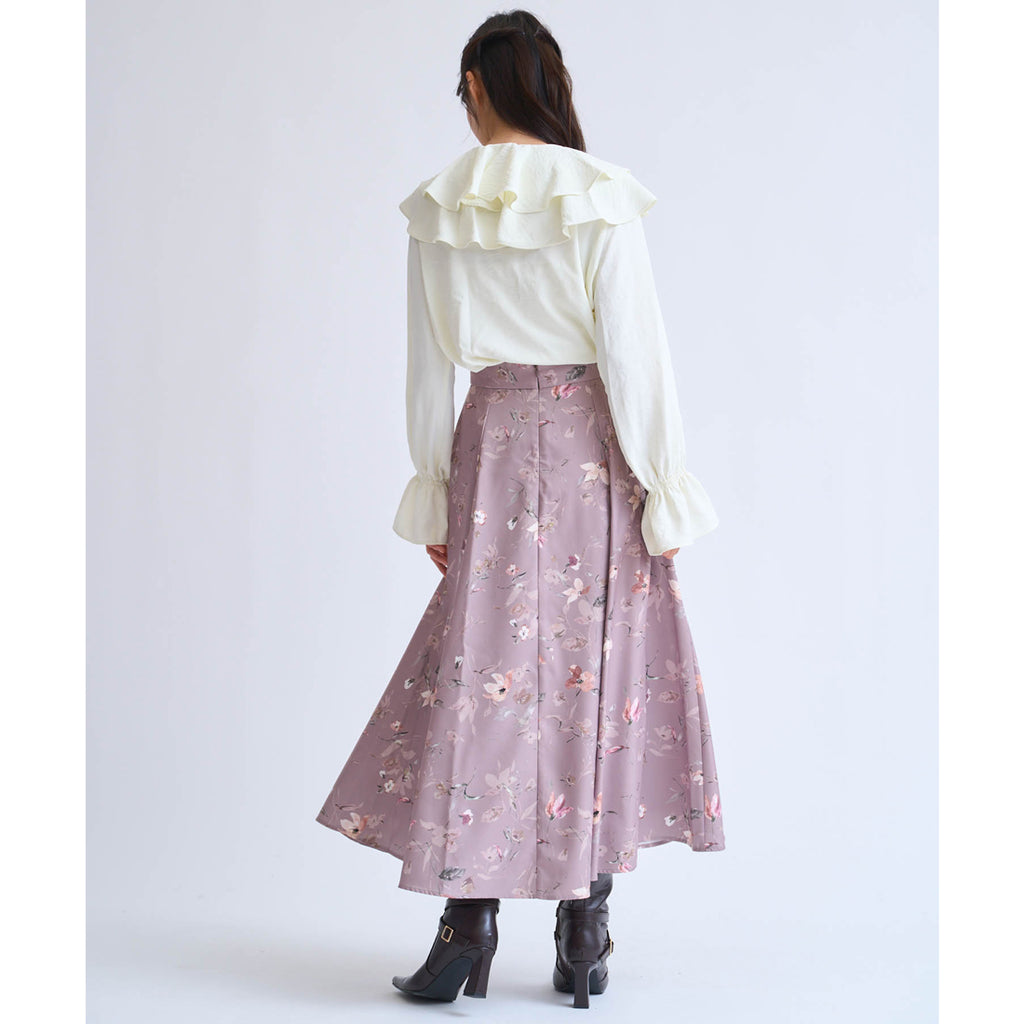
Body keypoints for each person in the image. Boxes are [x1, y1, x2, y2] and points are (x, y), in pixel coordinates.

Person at [314, 8, 726, 1009]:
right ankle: (584, 929)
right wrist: (662, 484)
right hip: (591, 448)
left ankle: (467, 925)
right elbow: (636, 357)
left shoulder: (439, 206)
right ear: (550, 86)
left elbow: (426, 366)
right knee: (595, 673)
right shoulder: (597, 195)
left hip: (491, 444)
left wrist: (436, 488)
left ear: (478, 87)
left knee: (485, 679)